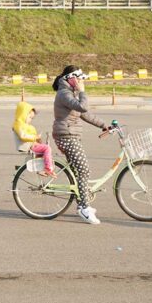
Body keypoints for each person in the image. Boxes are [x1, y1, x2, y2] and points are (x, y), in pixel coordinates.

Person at [52, 65, 109, 225]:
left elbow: (84, 114)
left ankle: (83, 203)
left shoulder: (70, 93)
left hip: (70, 135)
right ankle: (84, 208)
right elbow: (83, 106)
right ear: (70, 79)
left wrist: (104, 125)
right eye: (78, 78)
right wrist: (82, 91)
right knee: (84, 170)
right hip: (66, 136)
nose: (80, 81)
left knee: (79, 171)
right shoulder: (64, 94)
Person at [12, 101, 55, 177]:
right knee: (47, 148)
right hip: (29, 146)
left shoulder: (25, 125)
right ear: (23, 115)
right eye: (30, 117)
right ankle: (48, 169)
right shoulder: (19, 124)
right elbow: (23, 136)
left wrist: (38, 139)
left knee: (44, 150)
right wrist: (35, 137)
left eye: (32, 118)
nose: (31, 120)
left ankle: (41, 170)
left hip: (31, 145)